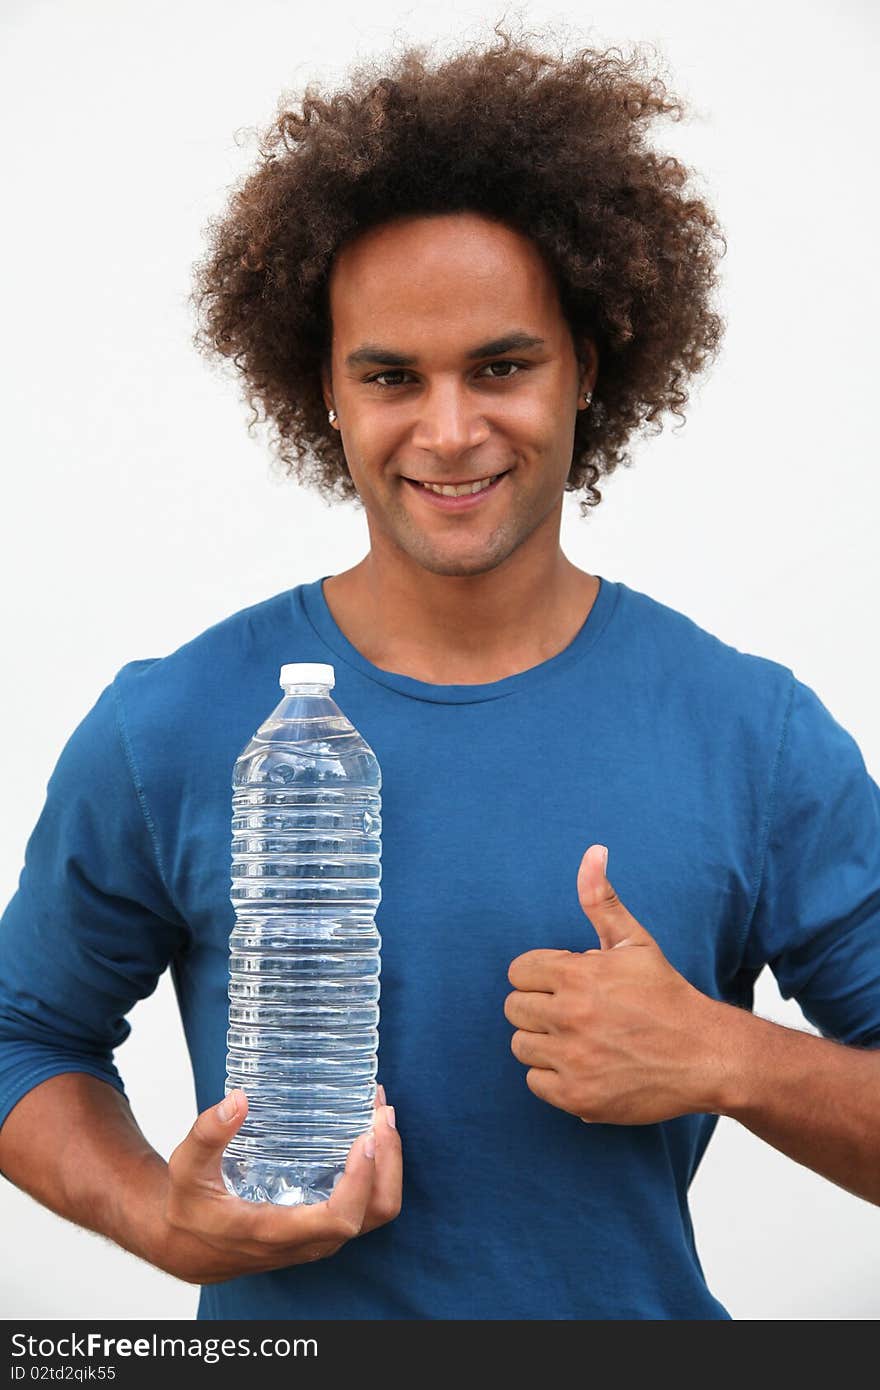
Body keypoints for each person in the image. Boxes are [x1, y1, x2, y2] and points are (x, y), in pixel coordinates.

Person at [1, 25, 879, 1323]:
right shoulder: (173, 722)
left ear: (590, 365)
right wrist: (155, 1216)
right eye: (393, 376)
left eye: (505, 366)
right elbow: (25, 1034)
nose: (451, 429)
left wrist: (730, 1054)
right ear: (328, 395)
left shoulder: (752, 735)